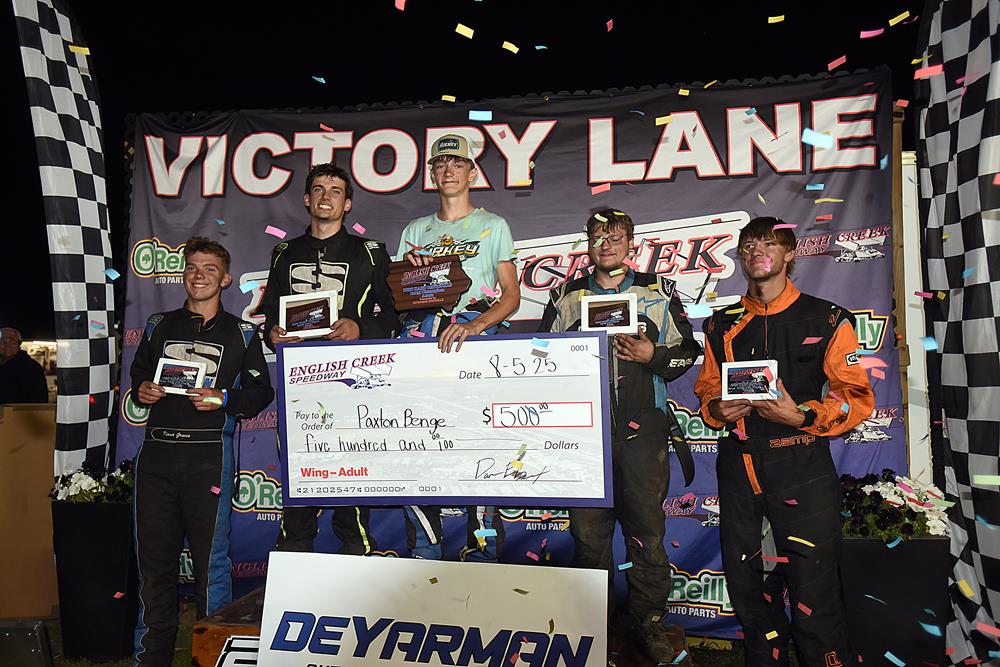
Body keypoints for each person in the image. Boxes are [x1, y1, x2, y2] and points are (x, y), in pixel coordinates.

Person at [694, 217, 874, 667]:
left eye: (769, 243)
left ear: (790, 254)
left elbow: (856, 398)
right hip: (740, 471)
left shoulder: (827, 317)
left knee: (815, 591)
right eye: (748, 244)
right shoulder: (720, 324)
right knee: (750, 591)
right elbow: (707, 389)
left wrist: (803, 415)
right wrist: (717, 409)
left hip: (802, 470)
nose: (757, 251)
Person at [539, 208, 700, 664]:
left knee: (646, 533)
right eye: (598, 236)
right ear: (587, 242)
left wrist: (653, 355)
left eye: (615, 236)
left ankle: (649, 621)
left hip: (643, 430)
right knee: (588, 536)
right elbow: (537, 354)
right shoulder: (566, 295)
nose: (606, 244)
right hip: (583, 433)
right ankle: (597, 626)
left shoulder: (657, 290)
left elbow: (688, 351)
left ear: (631, 243)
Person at [129, 237, 274, 667]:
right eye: (192, 267)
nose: (199, 275)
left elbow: (261, 392)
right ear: (183, 274)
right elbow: (139, 377)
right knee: (154, 565)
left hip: (208, 458)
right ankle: (148, 658)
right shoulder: (158, 325)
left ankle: (212, 659)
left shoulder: (242, 332)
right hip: (156, 457)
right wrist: (143, 390)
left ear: (225, 279)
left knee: (212, 567)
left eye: (210, 269)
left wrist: (224, 398)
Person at [261, 163, 398, 555]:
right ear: (307, 199)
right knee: (298, 472)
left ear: (347, 203)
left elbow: (393, 318)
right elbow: (270, 315)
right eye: (319, 189)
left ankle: (356, 554)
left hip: (353, 383)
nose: (326, 197)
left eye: (336, 191)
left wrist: (359, 328)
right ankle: (294, 555)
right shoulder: (284, 252)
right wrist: (273, 334)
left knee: (350, 475)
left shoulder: (370, 252)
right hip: (298, 383)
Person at [395, 133, 521, 561]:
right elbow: (400, 297)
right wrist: (408, 272)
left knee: (479, 447)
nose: (448, 170)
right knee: (418, 445)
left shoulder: (494, 225)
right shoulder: (416, 231)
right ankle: (424, 554)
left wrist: (476, 327)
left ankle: (482, 556)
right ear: (432, 174)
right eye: (440, 164)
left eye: (457, 163)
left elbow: (511, 296)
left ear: (471, 173)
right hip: (424, 341)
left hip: (474, 341)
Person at [0, 327, 49, 403]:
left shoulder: (31, 368)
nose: (7, 345)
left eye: (12, 342)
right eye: (3, 342)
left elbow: (39, 398)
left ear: (19, 345)